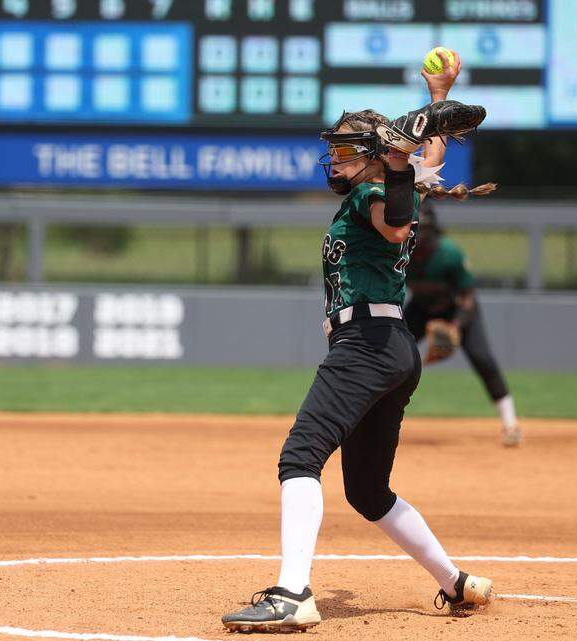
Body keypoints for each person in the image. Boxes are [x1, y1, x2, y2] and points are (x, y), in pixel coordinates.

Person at [221, 51, 496, 633]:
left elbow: (396, 218)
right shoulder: (391, 184)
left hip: (366, 344)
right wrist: (439, 95)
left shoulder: (372, 197)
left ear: (372, 160)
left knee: (300, 457)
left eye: (348, 149)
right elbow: (429, 158)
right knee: (368, 491)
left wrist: (397, 154)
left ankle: (292, 593)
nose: (336, 158)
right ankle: (456, 582)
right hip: (393, 346)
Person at [405, 200, 523, 446]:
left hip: (457, 309)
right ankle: (369, 420)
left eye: (420, 229)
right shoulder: (400, 251)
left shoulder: (449, 253)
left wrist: (455, 327)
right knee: (393, 354)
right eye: (412, 228)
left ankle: (511, 424)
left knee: (482, 359)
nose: (415, 234)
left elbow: (468, 296)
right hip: (422, 307)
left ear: (432, 231)